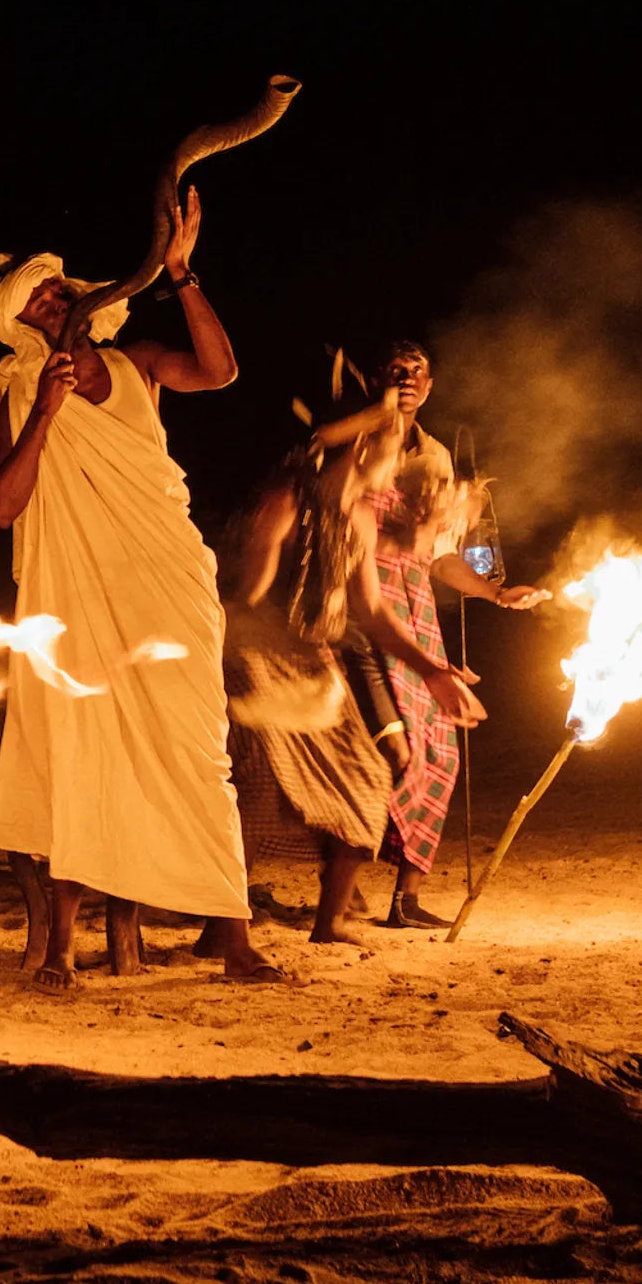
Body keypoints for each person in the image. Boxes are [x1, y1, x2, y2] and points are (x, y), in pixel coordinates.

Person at [0, 187, 276, 988]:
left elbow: (220, 370)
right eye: (36, 296)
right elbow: (1, 506)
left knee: (200, 748)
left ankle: (235, 937)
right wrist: (45, 407)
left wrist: (182, 272)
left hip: (167, 577)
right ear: (19, 323)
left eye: (57, 285)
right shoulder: (15, 389)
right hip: (77, 590)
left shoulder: (139, 362)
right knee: (84, 748)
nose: (54, 295)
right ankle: (63, 946)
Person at [219, 396, 486, 946]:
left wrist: (434, 672)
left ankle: (329, 922)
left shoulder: (361, 517)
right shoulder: (289, 499)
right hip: (258, 660)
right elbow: (249, 597)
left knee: (368, 778)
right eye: (393, 449)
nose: (400, 464)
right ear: (364, 447)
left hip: (315, 665)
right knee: (257, 792)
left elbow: (373, 612)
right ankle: (222, 929)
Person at [348, 341, 544, 928]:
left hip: (417, 611)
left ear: (430, 386)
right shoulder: (357, 441)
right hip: (363, 605)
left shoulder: (434, 456)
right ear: (377, 378)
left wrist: (494, 593)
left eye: (417, 371)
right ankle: (343, 883)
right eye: (396, 369)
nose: (407, 378)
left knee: (442, 748)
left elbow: (439, 554)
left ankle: (405, 898)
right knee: (387, 749)